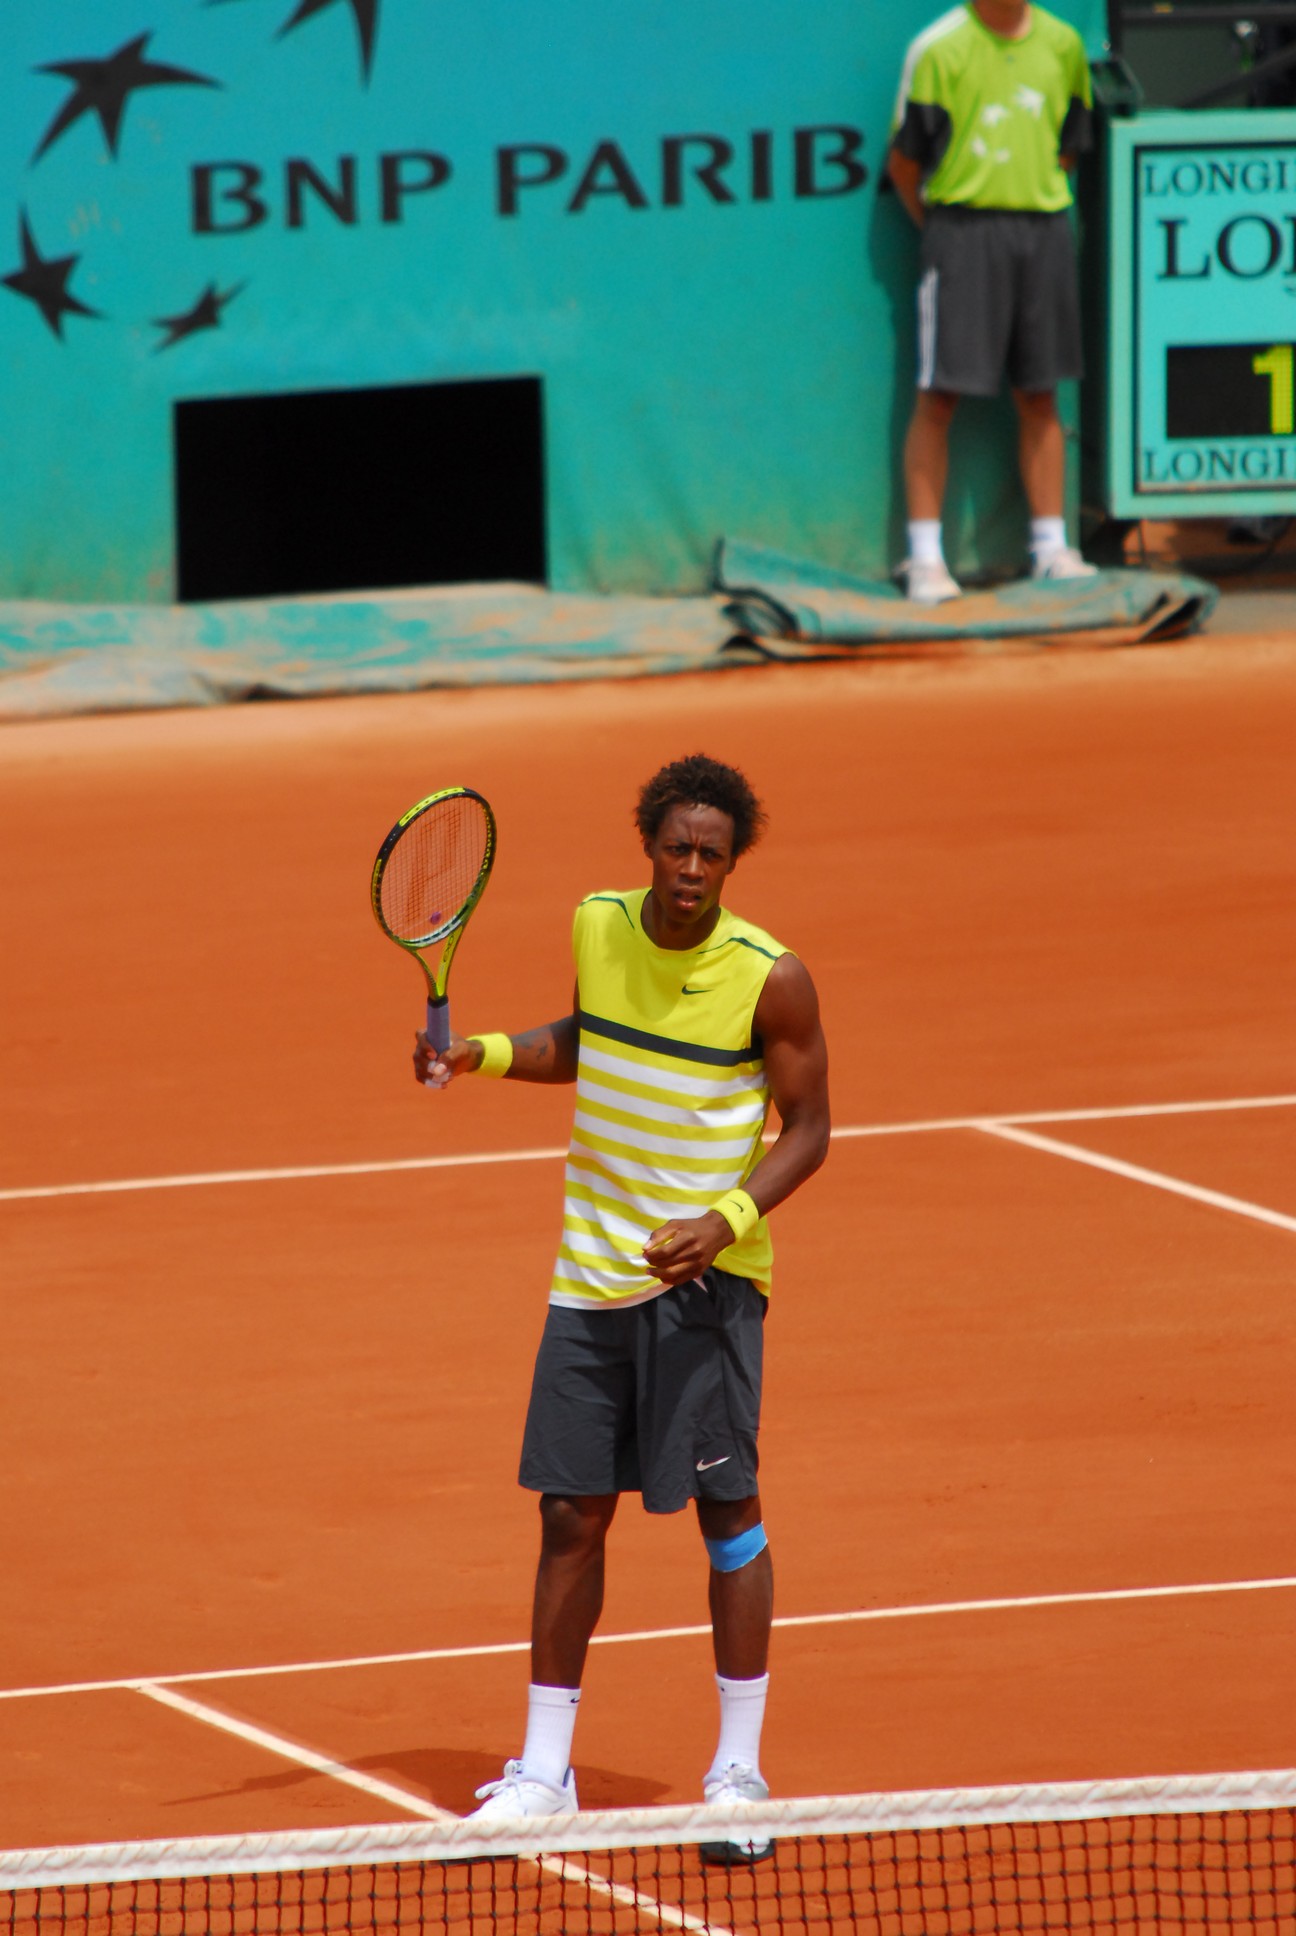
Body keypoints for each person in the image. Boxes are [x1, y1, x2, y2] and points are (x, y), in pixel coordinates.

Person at [413, 754, 830, 1849]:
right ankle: (546, 1773)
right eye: (677, 846)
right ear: (647, 842)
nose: (691, 869)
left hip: (706, 1288)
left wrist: (724, 1222)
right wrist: (484, 1052)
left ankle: (738, 1772)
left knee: (726, 1512)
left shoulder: (770, 976)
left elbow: (811, 1128)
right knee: (567, 1513)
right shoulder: (598, 924)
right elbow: (593, 1041)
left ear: (733, 861)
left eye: (713, 854)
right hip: (589, 1274)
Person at [888, 0, 1097, 602]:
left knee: (1040, 394)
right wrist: (945, 234)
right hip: (960, 233)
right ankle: (926, 561)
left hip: (1044, 231)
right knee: (938, 396)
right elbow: (904, 165)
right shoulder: (938, 49)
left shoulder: (1062, 46)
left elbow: (1065, 149)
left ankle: (1051, 549)